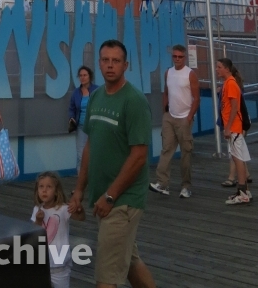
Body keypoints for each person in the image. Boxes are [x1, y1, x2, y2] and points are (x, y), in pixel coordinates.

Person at [69, 40, 156, 288]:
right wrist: (79, 190)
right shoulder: (95, 97)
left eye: (116, 61)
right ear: (99, 63)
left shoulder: (134, 101)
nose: (110, 65)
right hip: (102, 197)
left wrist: (110, 195)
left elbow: (139, 155)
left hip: (122, 200)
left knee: (106, 278)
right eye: (106, 60)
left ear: (125, 65)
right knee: (129, 263)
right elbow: (90, 146)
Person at [149, 44, 199, 199]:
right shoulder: (168, 72)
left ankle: (186, 186)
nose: (177, 59)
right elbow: (166, 91)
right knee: (166, 149)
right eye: (175, 56)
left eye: (180, 57)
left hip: (185, 117)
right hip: (170, 117)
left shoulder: (190, 74)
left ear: (184, 57)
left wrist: (190, 117)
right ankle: (162, 183)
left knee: (186, 153)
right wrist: (165, 112)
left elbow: (196, 98)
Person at [31, 171, 85, 288]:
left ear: (56, 191)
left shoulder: (63, 209)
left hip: (59, 261)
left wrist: (79, 209)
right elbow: (33, 232)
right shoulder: (37, 209)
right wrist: (39, 221)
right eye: (41, 187)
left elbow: (80, 218)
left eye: (49, 187)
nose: (44, 190)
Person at [217, 57, 252, 205]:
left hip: (234, 128)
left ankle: (243, 192)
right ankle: (243, 190)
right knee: (239, 158)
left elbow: (234, 108)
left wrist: (228, 127)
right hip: (234, 127)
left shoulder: (231, 84)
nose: (217, 70)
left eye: (219, 67)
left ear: (226, 68)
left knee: (237, 158)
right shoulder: (228, 83)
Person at [68, 65, 98, 171]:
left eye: (85, 75)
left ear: (90, 76)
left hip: (95, 127)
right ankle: (81, 181)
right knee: (81, 155)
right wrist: (72, 118)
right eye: (80, 75)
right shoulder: (76, 93)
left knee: (94, 154)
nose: (82, 77)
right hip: (81, 127)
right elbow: (71, 108)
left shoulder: (97, 90)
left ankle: (93, 178)